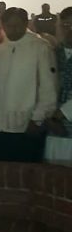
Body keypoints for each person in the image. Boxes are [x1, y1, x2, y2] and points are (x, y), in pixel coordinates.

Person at [0, 8, 57, 162]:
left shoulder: (40, 47)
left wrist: (38, 119)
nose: (13, 30)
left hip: (28, 124)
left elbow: (49, 87)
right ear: (3, 26)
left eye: (18, 26)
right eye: (9, 26)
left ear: (26, 24)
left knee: (26, 171)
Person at [48, 7, 72, 136]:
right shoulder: (51, 54)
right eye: (66, 25)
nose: (70, 30)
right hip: (52, 126)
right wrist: (51, 120)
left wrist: (60, 114)